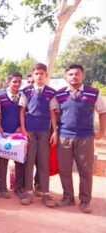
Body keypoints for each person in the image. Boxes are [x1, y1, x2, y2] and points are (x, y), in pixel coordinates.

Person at [55, 64, 106, 213]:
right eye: (71, 74)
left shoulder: (93, 93)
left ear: (82, 76)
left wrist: (102, 131)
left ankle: (85, 201)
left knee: (85, 170)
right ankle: (68, 198)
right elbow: (56, 114)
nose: (74, 77)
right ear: (66, 77)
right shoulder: (59, 94)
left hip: (85, 138)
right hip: (64, 136)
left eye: (77, 74)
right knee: (64, 169)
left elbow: (102, 112)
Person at [19, 63, 58, 207]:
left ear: (46, 75)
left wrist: (55, 131)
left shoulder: (50, 92)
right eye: (36, 73)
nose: (39, 76)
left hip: (44, 131)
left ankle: (45, 192)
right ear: (33, 75)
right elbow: (22, 111)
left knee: (43, 162)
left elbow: (53, 113)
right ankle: (28, 191)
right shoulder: (26, 91)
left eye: (42, 73)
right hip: (30, 131)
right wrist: (23, 129)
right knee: (29, 162)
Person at [0, 71, 24, 199]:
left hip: (18, 135)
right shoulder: (0, 97)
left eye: (19, 82)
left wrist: (21, 127)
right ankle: (3, 187)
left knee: (19, 162)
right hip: (4, 134)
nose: (17, 84)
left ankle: (18, 188)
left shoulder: (23, 97)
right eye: (14, 81)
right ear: (8, 82)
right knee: (3, 162)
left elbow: (26, 115)